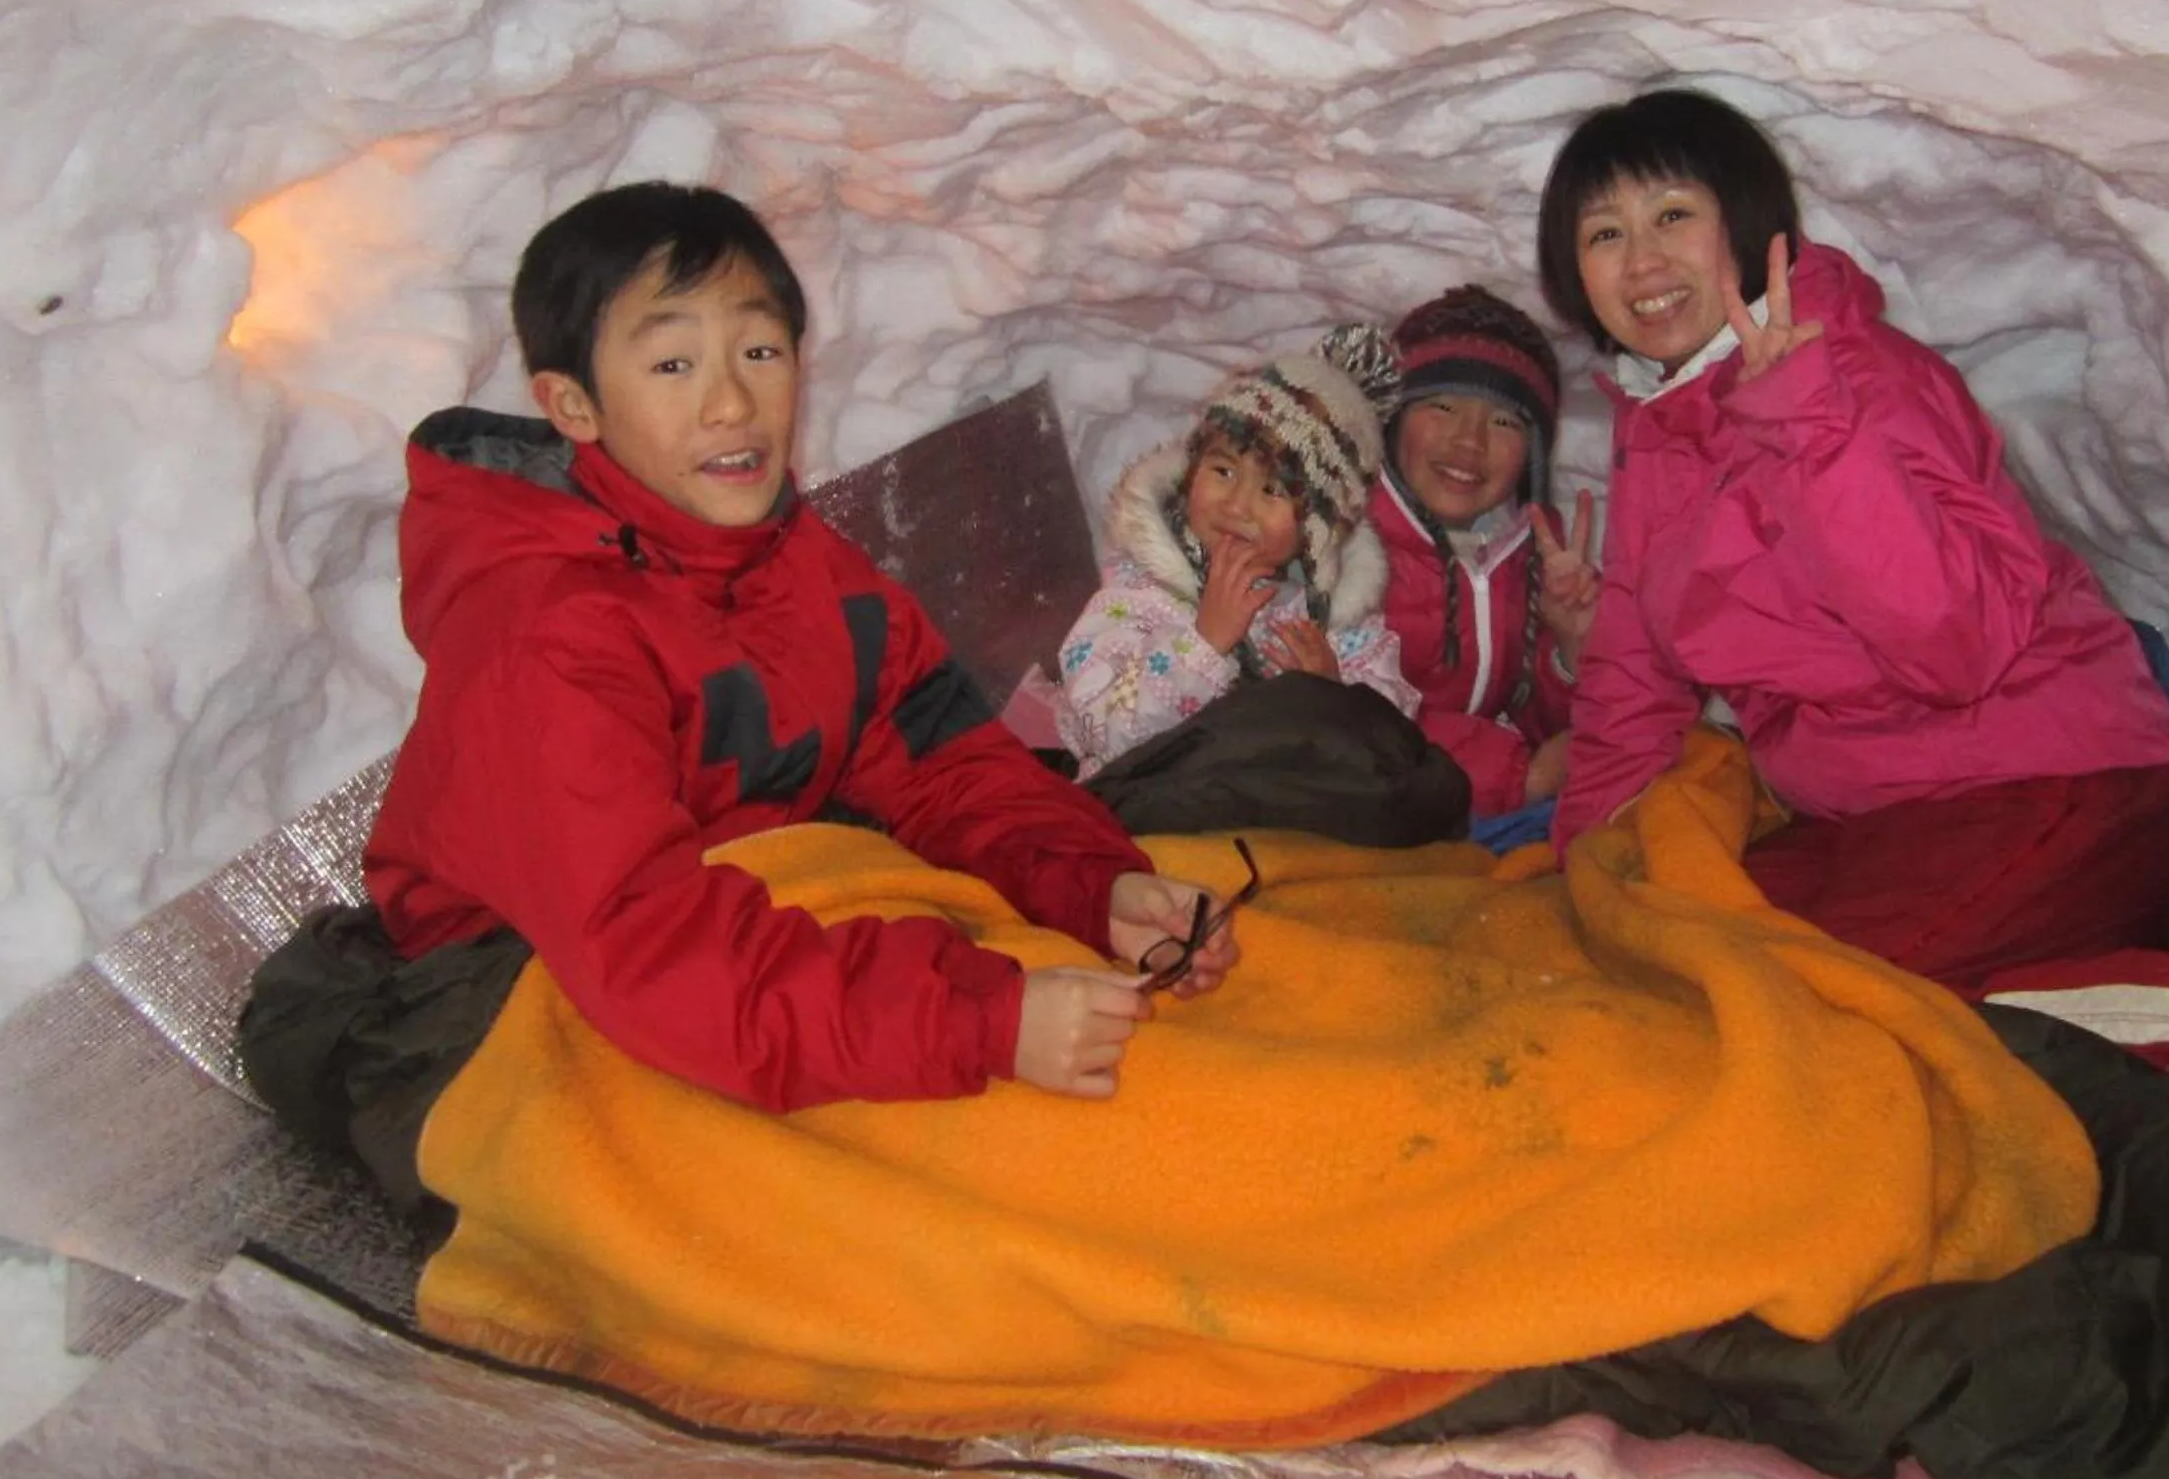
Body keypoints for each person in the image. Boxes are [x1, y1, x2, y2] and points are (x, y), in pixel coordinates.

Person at [357, 181, 1239, 1112]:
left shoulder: (798, 566)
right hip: (511, 982)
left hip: (736, 929)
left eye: (759, 350)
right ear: (574, 407)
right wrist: (977, 1021)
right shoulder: (543, 635)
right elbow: (644, 947)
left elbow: (944, 765)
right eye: (671, 366)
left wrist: (1093, 888)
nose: (732, 402)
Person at [1540, 88, 2169, 992]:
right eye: (1604, 234)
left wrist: (1806, 424)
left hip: (2057, 792)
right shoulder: (1659, 429)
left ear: (1745, 227)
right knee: (1655, 959)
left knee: (1792, 1005)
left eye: (1672, 215)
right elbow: (1633, 675)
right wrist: (1577, 875)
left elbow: (1957, 647)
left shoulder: (1857, 375)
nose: (1643, 259)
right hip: (1876, 819)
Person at [1056, 327, 1421, 770]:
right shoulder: (1139, 596)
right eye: (1223, 471)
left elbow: (1396, 744)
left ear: (1321, 527)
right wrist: (1202, 645)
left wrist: (1332, 694)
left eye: (1272, 488)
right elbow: (1104, 734)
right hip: (1158, 822)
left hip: (1288, 829)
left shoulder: (1336, 623)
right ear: (1192, 472)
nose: (1236, 505)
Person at [1371, 285, 1602, 819]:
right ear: (1393, 419)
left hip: (1467, 806)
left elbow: (1549, 731)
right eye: (1443, 406)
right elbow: (1353, 724)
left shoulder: (1526, 555)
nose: (1469, 442)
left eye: (1504, 422)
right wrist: (1520, 776)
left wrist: (1573, 649)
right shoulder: (1338, 543)